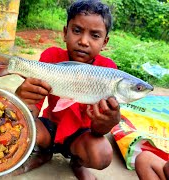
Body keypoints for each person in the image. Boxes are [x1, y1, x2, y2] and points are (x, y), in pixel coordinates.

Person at [14, 0, 120, 179]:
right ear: (65, 32)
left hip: (81, 135)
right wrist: (22, 99)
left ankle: (77, 162)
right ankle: (43, 152)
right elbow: (32, 110)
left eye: (95, 35)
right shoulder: (51, 57)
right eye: (77, 31)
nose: (84, 41)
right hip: (49, 127)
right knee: (18, 127)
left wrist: (109, 122)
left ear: (104, 42)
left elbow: (98, 130)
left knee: (102, 155)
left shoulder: (108, 70)